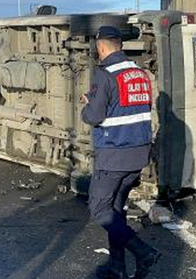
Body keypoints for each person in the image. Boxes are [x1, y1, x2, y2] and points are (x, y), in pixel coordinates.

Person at [81, 26, 161, 279]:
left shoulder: (104, 74)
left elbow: (94, 116)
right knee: (115, 210)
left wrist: (87, 106)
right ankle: (117, 267)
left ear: (101, 47)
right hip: (138, 155)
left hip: (114, 155)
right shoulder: (140, 73)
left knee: (98, 209)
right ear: (120, 46)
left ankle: (143, 252)